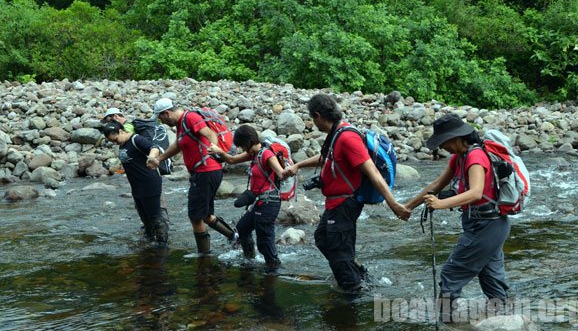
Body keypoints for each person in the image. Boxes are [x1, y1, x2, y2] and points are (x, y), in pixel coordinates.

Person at [284, 93, 411, 294]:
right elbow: (326, 155)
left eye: (311, 118)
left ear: (317, 115)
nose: (312, 122)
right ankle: (357, 273)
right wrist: (299, 165)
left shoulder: (347, 137)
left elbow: (373, 172)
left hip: (345, 205)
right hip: (335, 205)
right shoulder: (336, 134)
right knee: (323, 238)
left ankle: (353, 292)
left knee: (339, 251)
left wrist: (394, 204)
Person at [404, 113, 511, 323]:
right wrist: (408, 207)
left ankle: (444, 322)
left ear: (456, 138)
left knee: (451, 275)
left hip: (487, 226)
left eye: (443, 142)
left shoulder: (475, 157)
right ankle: (505, 319)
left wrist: (441, 204)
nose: (442, 147)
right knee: (491, 278)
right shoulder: (459, 157)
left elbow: (476, 193)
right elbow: (436, 185)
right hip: (486, 226)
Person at [148, 97, 236, 255]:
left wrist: (213, 148)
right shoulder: (182, 124)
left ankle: (204, 255)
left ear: (166, 113)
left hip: (205, 172)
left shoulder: (190, 118)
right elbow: (178, 145)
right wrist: (159, 159)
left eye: (161, 117)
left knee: (195, 217)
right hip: (206, 172)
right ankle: (235, 237)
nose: (161, 121)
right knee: (206, 215)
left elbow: (209, 133)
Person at [209, 124, 285, 272]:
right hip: (260, 201)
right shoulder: (254, 154)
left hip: (270, 202)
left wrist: (291, 170)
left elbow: (280, 173)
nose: (243, 150)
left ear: (248, 142)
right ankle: (249, 259)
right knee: (243, 228)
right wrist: (219, 152)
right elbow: (231, 160)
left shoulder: (266, 154)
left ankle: (273, 269)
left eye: (243, 146)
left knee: (265, 239)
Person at [103, 120, 169, 245]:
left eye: (116, 139)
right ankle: (149, 241)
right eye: (112, 141)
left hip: (150, 183)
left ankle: (162, 244)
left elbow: (154, 147)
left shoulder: (136, 139)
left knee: (155, 216)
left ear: (121, 131)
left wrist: (151, 157)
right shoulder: (122, 144)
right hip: (137, 186)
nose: (115, 142)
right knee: (144, 216)